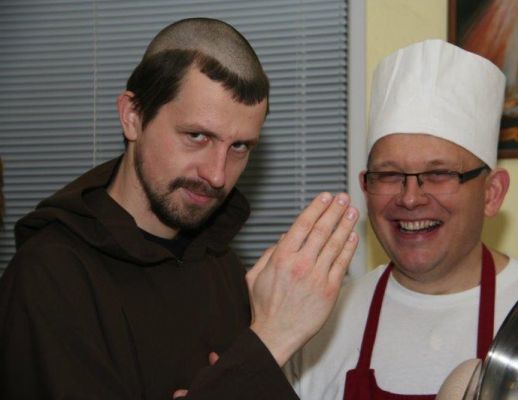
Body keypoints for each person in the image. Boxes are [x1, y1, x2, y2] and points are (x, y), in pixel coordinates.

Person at [0, 18, 359, 400]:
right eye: (197, 136)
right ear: (132, 116)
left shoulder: (222, 267)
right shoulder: (49, 274)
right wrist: (273, 337)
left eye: (239, 147)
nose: (217, 175)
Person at [285, 39, 518, 399]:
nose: (409, 198)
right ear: (365, 188)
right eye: (389, 175)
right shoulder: (320, 323)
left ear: (492, 193)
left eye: (439, 174)